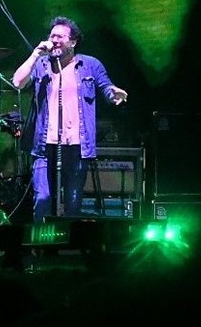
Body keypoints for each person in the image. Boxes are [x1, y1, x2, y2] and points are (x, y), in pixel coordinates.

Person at [9, 15, 128, 219]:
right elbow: (18, 82)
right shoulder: (42, 64)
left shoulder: (90, 65)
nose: (54, 40)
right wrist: (35, 54)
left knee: (73, 202)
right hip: (44, 144)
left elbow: (106, 86)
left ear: (73, 42)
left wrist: (113, 93)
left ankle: (67, 245)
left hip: (76, 145)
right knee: (43, 199)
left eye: (60, 36)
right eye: (52, 35)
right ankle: (42, 247)